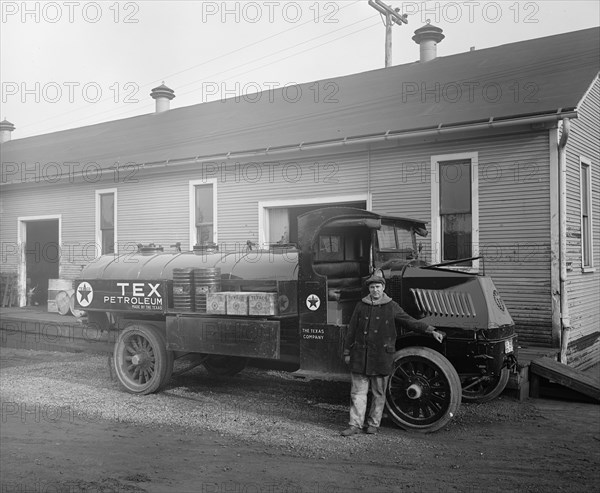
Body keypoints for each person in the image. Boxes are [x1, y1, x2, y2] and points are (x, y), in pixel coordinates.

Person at [341, 273, 445, 436]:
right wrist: (347, 352)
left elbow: (410, 321)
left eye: (378, 287)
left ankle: (373, 424)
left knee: (379, 393)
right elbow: (351, 330)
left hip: (382, 357)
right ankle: (355, 425)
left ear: (383, 288)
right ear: (368, 289)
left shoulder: (391, 306)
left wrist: (430, 330)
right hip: (360, 357)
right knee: (357, 393)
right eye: (372, 287)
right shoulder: (361, 305)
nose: (375, 290)